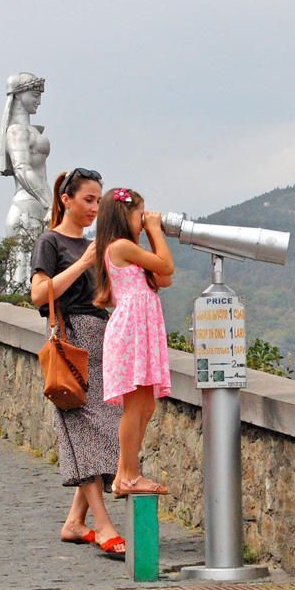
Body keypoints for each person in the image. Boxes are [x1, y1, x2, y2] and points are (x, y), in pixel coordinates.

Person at [29, 168, 129, 558]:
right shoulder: (51, 242)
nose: (94, 208)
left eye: (98, 201)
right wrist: (84, 260)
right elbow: (39, 294)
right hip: (71, 346)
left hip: (101, 341)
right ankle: (103, 525)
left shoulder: (91, 244)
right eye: (88, 199)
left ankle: (74, 522)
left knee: (109, 430)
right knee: (86, 430)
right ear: (66, 199)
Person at [92, 187, 174, 498]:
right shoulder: (121, 247)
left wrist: (152, 236)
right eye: (141, 214)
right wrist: (154, 229)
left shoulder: (131, 253)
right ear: (126, 216)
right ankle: (126, 474)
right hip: (131, 332)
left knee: (146, 405)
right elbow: (166, 267)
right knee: (134, 406)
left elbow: (163, 277)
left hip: (140, 331)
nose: (145, 220)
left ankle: (127, 473)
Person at [0, 72, 50, 286]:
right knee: (22, 277)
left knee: (32, 269)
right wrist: (51, 202)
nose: (38, 100)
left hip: (34, 205)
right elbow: (21, 168)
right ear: (19, 95)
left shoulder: (28, 129)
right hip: (26, 208)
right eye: (34, 94)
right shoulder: (17, 131)